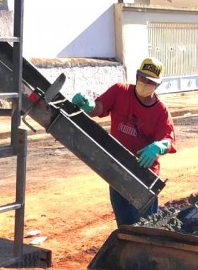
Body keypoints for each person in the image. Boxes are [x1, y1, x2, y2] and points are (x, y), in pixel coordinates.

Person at [70, 57, 176, 226]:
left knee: (147, 226)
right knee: (125, 224)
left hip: (144, 176)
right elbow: (98, 108)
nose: (145, 83)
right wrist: (88, 106)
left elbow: (168, 139)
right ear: (136, 76)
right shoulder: (120, 92)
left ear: (157, 85)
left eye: (150, 81)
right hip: (117, 170)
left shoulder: (160, 111)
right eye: (142, 78)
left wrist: (158, 146)